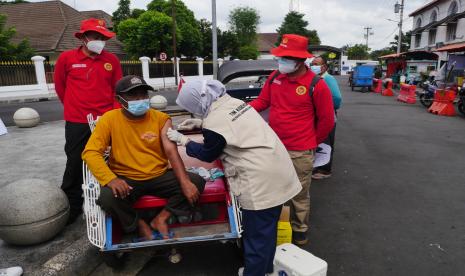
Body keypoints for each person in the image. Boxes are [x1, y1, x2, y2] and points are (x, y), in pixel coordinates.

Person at [167, 80, 302, 276]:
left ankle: (254, 272)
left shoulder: (215, 122)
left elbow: (207, 154)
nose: (193, 110)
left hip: (260, 181)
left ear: (198, 100)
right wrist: (201, 123)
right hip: (277, 171)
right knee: (266, 232)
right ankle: (264, 271)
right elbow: (231, 124)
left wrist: (183, 140)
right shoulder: (234, 103)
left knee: (256, 239)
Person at [82, 75, 205, 240]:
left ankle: (160, 219)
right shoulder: (108, 120)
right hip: (127, 179)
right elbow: (91, 152)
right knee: (107, 198)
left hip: (158, 175)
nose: (140, 99)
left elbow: (170, 150)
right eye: (133, 95)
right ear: (119, 99)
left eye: (143, 94)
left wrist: (185, 182)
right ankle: (139, 224)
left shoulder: (161, 119)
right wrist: (111, 179)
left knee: (196, 182)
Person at [249, 34, 335, 245]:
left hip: (301, 150)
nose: (282, 62)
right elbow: (262, 101)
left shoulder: (317, 84)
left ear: (300, 60)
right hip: (273, 146)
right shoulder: (275, 77)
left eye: (287, 58)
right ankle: (276, 225)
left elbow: (327, 120)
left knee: (298, 192)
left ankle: (300, 229)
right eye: (281, 57)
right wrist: (239, 111)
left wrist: (312, 142)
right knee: (273, 189)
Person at [54, 18, 123, 224]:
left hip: (106, 120)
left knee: (110, 159)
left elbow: (116, 91)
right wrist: (74, 107)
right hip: (77, 120)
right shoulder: (67, 58)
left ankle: (110, 199)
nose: (99, 40)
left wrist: (113, 115)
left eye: (102, 37)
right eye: (95, 36)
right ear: (83, 37)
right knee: (75, 162)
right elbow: (61, 87)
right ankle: (73, 206)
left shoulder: (112, 60)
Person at [310, 56, 342, 179]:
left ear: (324, 67)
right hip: (317, 115)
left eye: (316, 64)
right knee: (319, 140)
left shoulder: (328, 79)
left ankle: (325, 170)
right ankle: (318, 165)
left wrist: (326, 107)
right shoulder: (316, 78)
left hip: (327, 115)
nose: (313, 66)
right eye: (312, 63)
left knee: (326, 142)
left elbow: (337, 99)